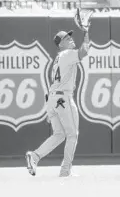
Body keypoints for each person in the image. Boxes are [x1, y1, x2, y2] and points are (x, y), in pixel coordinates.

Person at [25, 22, 90, 177]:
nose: (71, 39)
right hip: (63, 98)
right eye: (67, 38)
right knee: (72, 134)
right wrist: (86, 32)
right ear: (60, 45)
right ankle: (65, 170)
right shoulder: (67, 54)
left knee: (59, 134)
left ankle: (34, 156)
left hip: (53, 99)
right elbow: (84, 51)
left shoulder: (58, 59)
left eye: (70, 37)